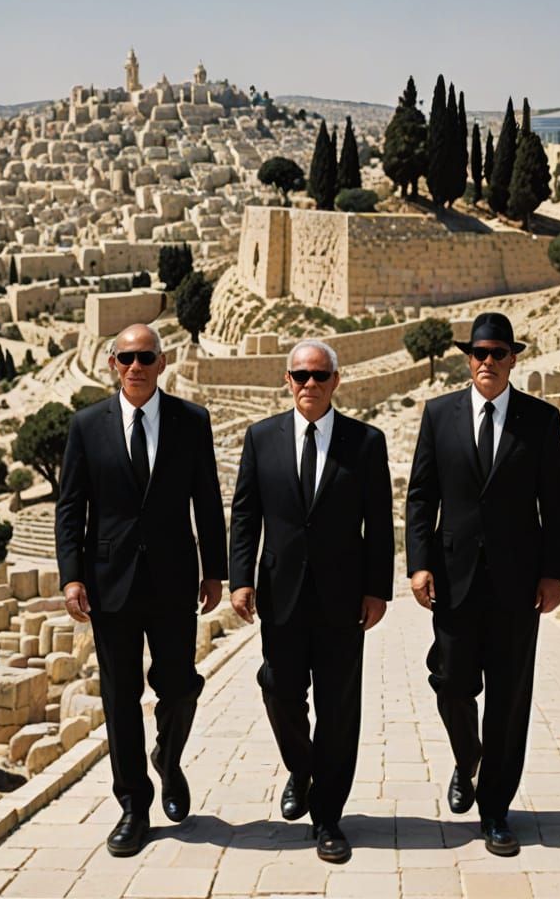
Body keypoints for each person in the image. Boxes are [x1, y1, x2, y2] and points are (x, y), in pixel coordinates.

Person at [55, 323, 227, 858]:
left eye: (146, 357)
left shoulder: (191, 421)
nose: (136, 366)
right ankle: (134, 806)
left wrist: (215, 571)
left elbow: (207, 498)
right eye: (126, 358)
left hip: (174, 579)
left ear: (162, 362)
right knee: (120, 697)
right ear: (112, 363)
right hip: (110, 582)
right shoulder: (87, 426)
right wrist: (71, 576)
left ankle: (168, 760)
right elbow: (70, 508)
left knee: (181, 686)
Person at [406, 312, 560, 857]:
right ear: (468, 358)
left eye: (499, 353)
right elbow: (421, 496)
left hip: (517, 582)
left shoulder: (540, 420)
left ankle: (496, 809)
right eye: (480, 353)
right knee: (451, 682)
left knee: (508, 697)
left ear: (513, 359)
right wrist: (419, 563)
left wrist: (553, 572)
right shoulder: (439, 415)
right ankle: (466, 757)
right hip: (453, 580)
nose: (489, 362)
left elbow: (554, 502)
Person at [229, 339, 393, 863]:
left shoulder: (365, 442)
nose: (310, 384)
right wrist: (239, 579)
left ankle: (328, 818)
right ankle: (302, 768)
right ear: (287, 380)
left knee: (339, 708)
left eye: (320, 375)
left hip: (343, 597)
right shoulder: (261, 438)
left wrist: (377, 589)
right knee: (278, 689)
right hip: (281, 594)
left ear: (336, 381)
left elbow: (379, 522)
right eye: (300, 375)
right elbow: (245, 514)